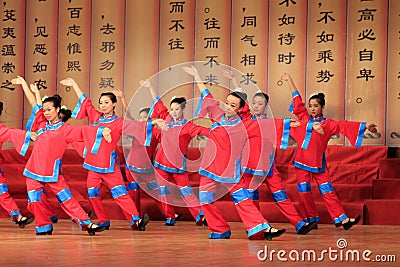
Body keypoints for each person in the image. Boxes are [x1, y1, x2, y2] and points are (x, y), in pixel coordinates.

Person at [184, 65, 285, 240]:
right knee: (205, 200)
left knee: (242, 199)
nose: (228, 107)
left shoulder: (245, 124)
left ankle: (261, 227)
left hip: (230, 168)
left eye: (233, 105)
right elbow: (207, 96)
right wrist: (196, 75)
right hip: (209, 166)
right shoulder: (217, 113)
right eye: (227, 103)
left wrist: (301, 125)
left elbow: (271, 125)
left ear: (240, 109)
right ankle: (219, 229)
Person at [281, 73, 377, 230]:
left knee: (328, 190)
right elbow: (297, 98)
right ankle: (310, 219)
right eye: (310, 106)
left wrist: (365, 126)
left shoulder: (328, 124)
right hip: (301, 162)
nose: (312, 109)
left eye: (316, 106)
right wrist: (289, 80)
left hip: (319, 163)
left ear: (322, 107)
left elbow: (344, 125)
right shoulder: (303, 117)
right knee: (303, 192)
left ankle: (342, 219)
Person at [62, 78, 154, 231]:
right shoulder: (96, 117)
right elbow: (86, 102)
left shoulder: (119, 122)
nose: (103, 105)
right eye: (101, 103)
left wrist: (154, 123)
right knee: (92, 193)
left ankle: (136, 220)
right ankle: (103, 220)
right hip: (93, 163)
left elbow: (138, 126)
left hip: (109, 164)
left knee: (120, 194)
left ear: (113, 104)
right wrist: (75, 85)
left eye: (106, 102)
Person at [14, 88, 107, 235]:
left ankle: (87, 224)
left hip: (52, 171)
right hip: (33, 170)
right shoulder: (41, 124)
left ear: (57, 109)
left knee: (67, 199)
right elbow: (34, 103)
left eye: (49, 109)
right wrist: (25, 85)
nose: (46, 113)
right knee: (34, 201)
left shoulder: (65, 129)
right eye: (45, 110)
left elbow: (83, 131)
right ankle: (44, 226)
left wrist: (101, 131)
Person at [146, 83, 209, 226]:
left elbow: (205, 131)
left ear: (183, 109)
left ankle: (200, 216)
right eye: (172, 109)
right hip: (161, 163)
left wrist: (223, 131)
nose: (174, 112)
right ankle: (169, 217)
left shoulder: (188, 127)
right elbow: (158, 103)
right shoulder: (165, 118)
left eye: (177, 109)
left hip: (178, 166)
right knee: (163, 191)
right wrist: (150, 87)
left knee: (186, 192)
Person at [0, 103, 34, 228]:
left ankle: (18, 217)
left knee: (3, 194)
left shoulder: (1, 130)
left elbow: (12, 133)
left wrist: (29, 135)